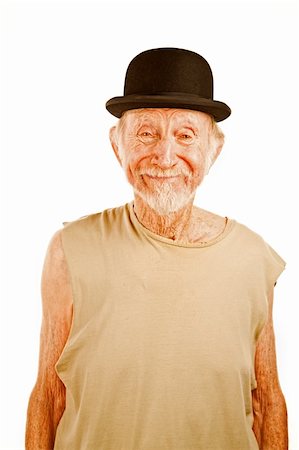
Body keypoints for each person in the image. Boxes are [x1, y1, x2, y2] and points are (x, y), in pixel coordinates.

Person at [25, 47, 288, 450]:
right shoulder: (69, 251)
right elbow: (48, 396)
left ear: (213, 150)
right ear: (117, 145)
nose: (165, 157)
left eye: (185, 136)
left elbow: (267, 402)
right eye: (146, 133)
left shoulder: (253, 258)